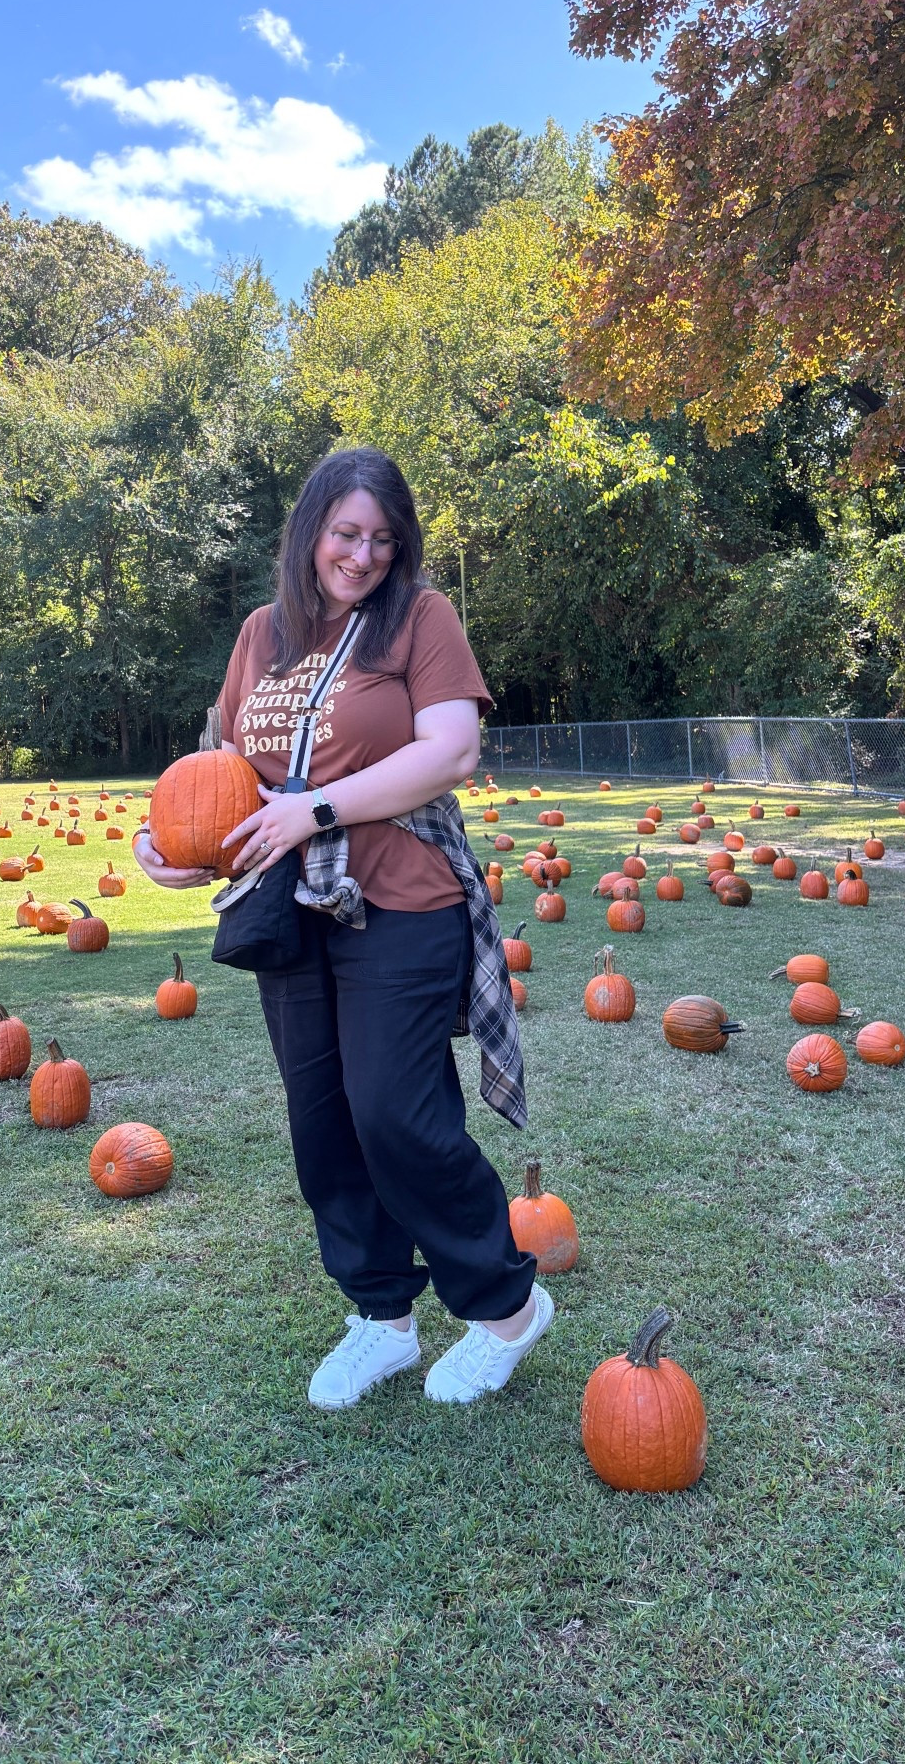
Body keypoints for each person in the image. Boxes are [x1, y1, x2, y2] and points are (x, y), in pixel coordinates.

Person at [133, 447, 551, 1410]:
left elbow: (450, 751)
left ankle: (505, 1309)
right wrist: (176, 849)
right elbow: (228, 772)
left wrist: (315, 811)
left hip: (403, 899)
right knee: (321, 1125)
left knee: (395, 1116)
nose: (361, 555)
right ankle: (381, 1318)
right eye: (344, 534)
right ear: (309, 532)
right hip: (291, 908)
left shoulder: (420, 618)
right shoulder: (263, 634)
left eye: (380, 538)